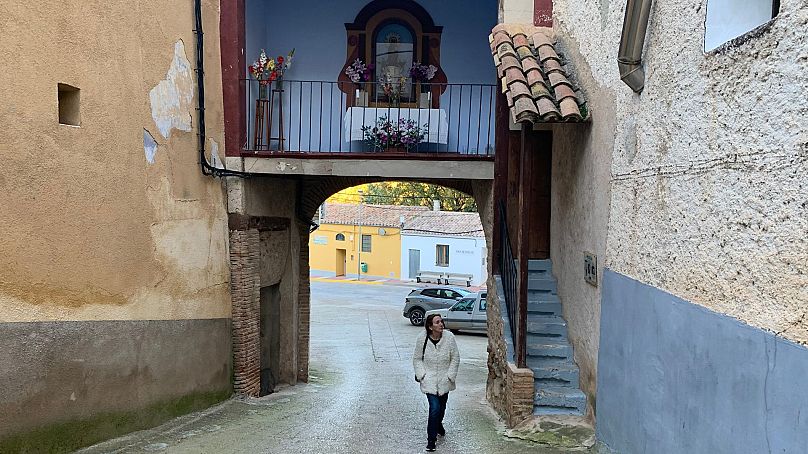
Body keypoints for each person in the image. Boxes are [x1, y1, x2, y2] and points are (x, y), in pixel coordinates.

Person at [413, 313, 460, 452]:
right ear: (430, 326)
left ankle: (438, 424)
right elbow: (417, 358)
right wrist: (421, 375)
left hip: (445, 380)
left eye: (441, 321)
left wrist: (450, 376)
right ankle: (431, 440)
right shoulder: (422, 338)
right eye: (437, 322)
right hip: (430, 380)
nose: (441, 324)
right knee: (434, 408)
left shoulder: (449, 337)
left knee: (442, 407)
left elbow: (455, 357)